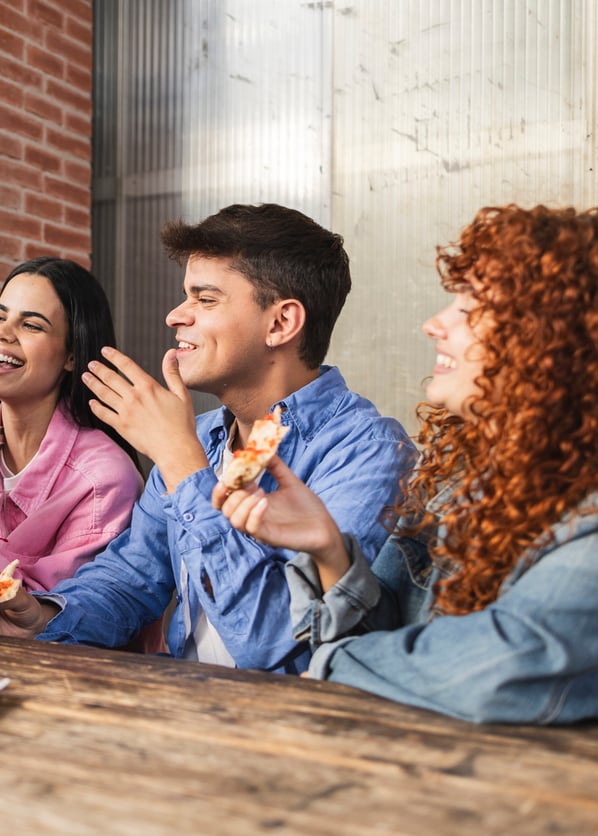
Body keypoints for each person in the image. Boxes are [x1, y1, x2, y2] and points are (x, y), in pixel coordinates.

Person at [0, 203, 415, 673]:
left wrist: (181, 462)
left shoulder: (369, 451)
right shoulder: (202, 436)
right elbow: (131, 578)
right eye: (185, 296)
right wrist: (44, 616)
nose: (176, 315)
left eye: (205, 298)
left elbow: (274, 643)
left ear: (281, 323)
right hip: (191, 708)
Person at [214, 205, 598, 723]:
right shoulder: (454, 482)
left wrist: (333, 663)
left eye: (472, 306)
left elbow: (503, 666)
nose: (434, 324)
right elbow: (390, 639)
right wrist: (330, 551)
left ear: (562, 340)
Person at [0, 257, 143, 627]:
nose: (2, 332)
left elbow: (47, 619)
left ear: (71, 355)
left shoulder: (103, 481)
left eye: (31, 324)